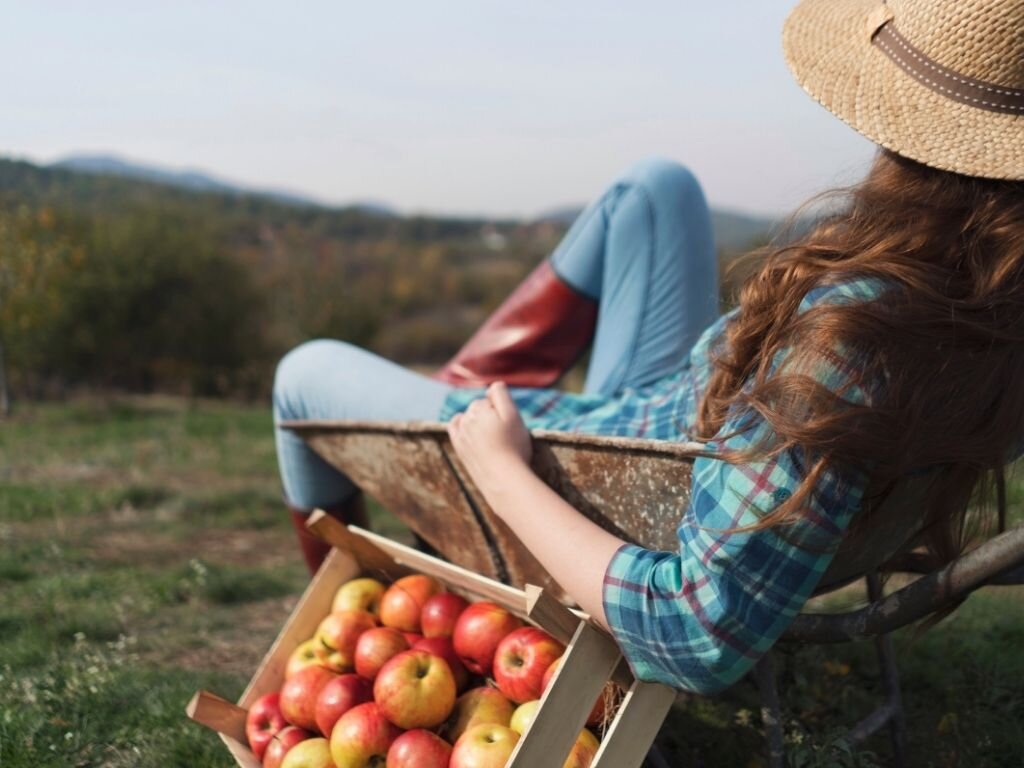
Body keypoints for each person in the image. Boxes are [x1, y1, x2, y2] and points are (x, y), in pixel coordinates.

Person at [273, 0, 1024, 695]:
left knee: (301, 376)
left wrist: (499, 471)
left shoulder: (853, 343)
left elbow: (698, 635)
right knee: (655, 189)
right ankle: (471, 383)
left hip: (606, 470)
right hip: (673, 422)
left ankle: (358, 621)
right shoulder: (987, 302)